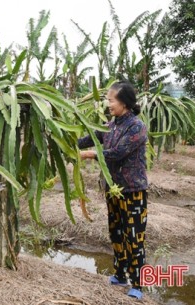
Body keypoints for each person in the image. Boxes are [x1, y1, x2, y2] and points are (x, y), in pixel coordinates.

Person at [78, 81, 148, 300]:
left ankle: (138, 283)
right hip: (113, 189)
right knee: (116, 232)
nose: (108, 104)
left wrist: (89, 155)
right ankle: (120, 274)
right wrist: (63, 140)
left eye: (111, 100)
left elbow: (117, 153)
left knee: (133, 236)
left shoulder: (136, 127)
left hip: (132, 191)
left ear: (124, 102)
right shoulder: (110, 126)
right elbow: (87, 139)